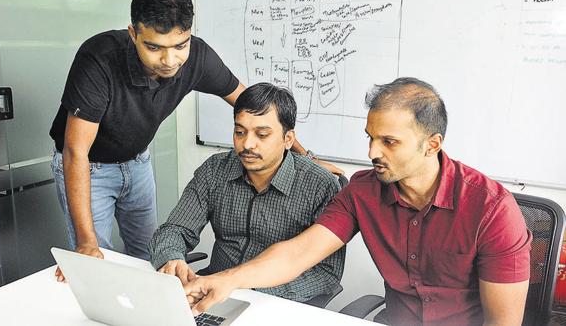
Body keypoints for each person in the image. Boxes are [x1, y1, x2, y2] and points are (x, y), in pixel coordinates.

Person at [49, 0, 341, 280]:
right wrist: (86, 242)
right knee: (97, 261)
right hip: (88, 166)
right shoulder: (99, 58)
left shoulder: (198, 56)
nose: (169, 60)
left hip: (137, 161)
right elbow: (75, 150)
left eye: (180, 45)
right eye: (154, 47)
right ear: (133, 34)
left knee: (144, 256)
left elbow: (257, 108)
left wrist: (305, 157)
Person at [183, 77, 532, 325]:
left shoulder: (491, 210)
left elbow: (503, 321)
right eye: (370, 138)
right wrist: (228, 279)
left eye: (389, 142)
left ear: (432, 144)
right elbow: (297, 253)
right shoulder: (363, 191)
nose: (371, 152)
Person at [148, 83, 345, 302]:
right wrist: (172, 259)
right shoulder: (215, 171)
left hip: (275, 302)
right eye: (240, 132)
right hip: (210, 293)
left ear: (288, 139)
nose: (247, 144)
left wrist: (247, 292)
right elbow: (176, 229)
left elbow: (326, 273)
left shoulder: (319, 185)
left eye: (262, 135)